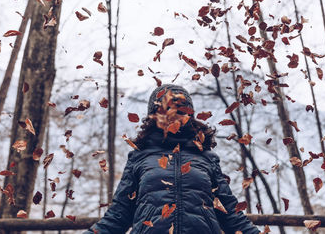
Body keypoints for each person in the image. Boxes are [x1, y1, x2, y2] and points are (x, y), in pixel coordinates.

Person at [84, 84, 260, 234]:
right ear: (154, 116)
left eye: (181, 108)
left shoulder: (207, 159)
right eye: (166, 108)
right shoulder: (139, 157)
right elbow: (118, 216)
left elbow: (231, 215)